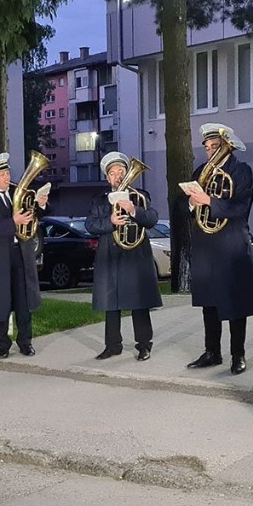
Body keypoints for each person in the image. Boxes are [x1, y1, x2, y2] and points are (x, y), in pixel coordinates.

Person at [185, 124, 253, 375]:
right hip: (206, 244)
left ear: (227, 146)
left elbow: (240, 207)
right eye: (207, 147)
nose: (210, 151)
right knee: (209, 302)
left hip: (231, 244)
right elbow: (185, 207)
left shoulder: (241, 171)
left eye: (215, 146)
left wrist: (210, 201)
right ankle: (212, 352)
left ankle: (238, 354)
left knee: (236, 302)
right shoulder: (199, 172)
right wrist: (192, 203)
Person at [84, 152, 162, 361]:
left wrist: (134, 210)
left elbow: (152, 219)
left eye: (121, 172)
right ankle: (113, 345)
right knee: (111, 302)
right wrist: (111, 221)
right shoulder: (99, 199)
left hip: (135, 255)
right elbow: (90, 225)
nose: (117, 176)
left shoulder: (139, 195)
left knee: (139, 302)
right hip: (110, 255)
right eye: (112, 173)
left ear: (128, 174)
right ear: (107, 177)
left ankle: (144, 344)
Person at [0, 153, 48, 359]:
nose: (7, 177)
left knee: (23, 301)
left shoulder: (17, 192)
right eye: (3, 174)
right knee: (0, 301)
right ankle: (3, 344)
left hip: (20, 254)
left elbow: (31, 218)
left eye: (7, 173)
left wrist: (39, 205)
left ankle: (25, 342)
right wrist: (12, 222)